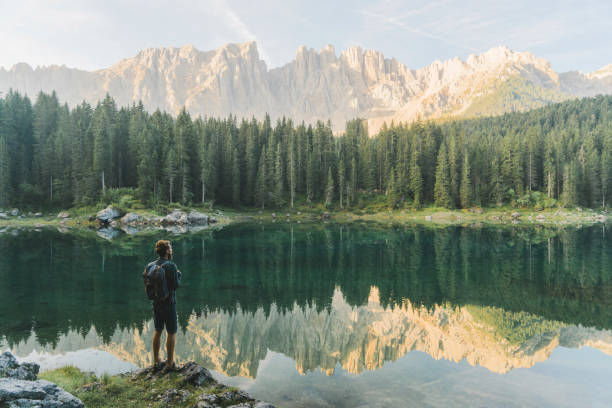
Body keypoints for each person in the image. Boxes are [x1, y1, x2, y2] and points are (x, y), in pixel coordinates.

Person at [149, 239, 182, 369]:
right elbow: (175, 285)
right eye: (170, 248)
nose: (172, 249)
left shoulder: (150, 265)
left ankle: (156, 360)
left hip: (156, 303)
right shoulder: (171, 266)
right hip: (169, 303)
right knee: (171, 331)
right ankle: (169, 362)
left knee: (158, 330)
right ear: (167, 251)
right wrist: (179, 275)